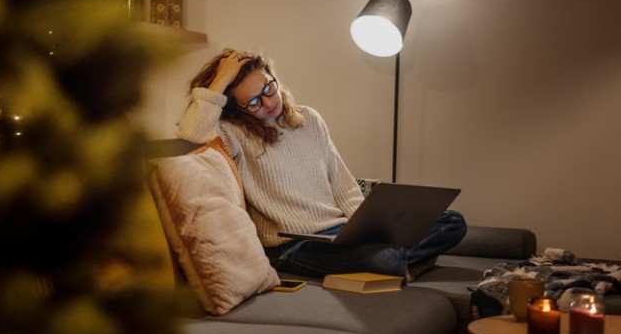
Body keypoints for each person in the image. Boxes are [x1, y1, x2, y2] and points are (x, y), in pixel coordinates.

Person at [176, 48, 466, 281]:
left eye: (268, 88)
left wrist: (368, 229)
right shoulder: (234, 133)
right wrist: (220, 81)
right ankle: (401, 262)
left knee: (453, 221)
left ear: (272, 77)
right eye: (252, 102)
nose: (267, 102)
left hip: (338, 233)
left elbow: (343, 185)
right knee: (385, 258)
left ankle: (399, 264)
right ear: (235, 108)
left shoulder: (309, 119)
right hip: (291, 247)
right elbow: (191, 133)